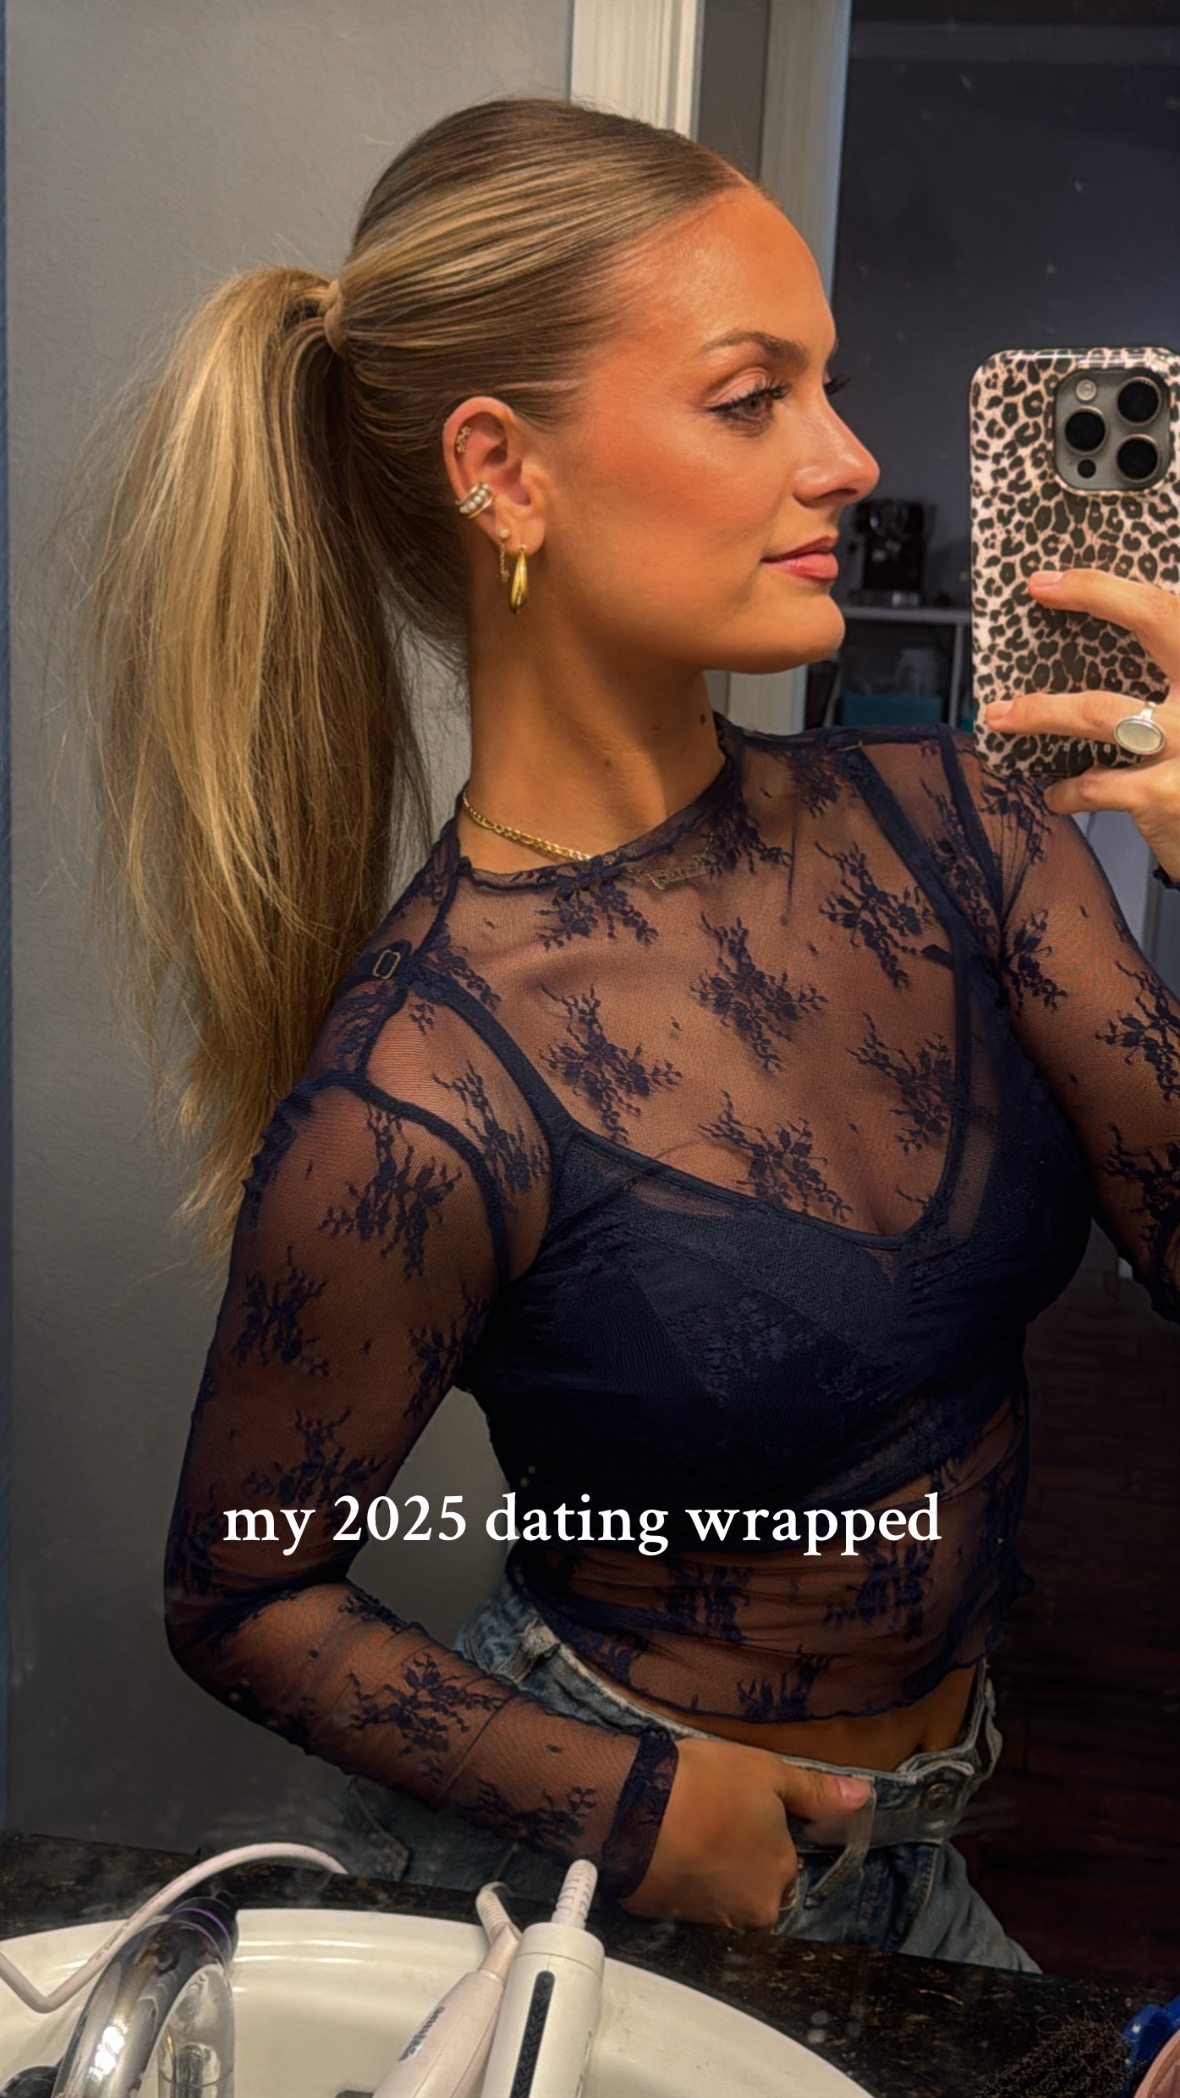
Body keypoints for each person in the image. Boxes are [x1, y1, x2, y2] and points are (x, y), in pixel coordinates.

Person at [70, 96, 1180, 1969]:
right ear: (502, 472)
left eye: (827, 387)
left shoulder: (968, 831)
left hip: (921, 1850)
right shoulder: (418, 1092)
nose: (849, 458)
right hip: (593, 1896)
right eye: (754, 397)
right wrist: (631, 1803)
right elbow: (240, 1585)